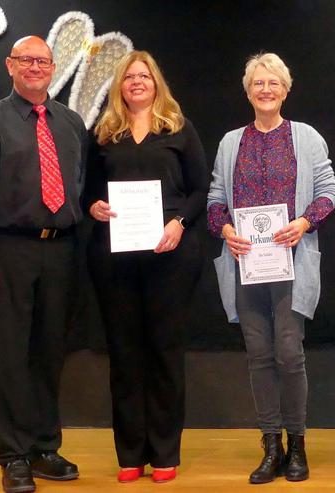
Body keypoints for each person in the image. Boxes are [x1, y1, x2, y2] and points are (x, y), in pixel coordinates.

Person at [207, 53, 335, 484]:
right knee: (259, 356)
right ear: (248, 91)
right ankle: (270, 446)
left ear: (286, 89)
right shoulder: (231, 143)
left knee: (289, 353)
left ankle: (297, 446)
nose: (266, 90)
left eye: (273, 83)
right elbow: (214, 201)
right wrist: (225, 228)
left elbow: (328, 190)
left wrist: (304, 222)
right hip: (245, 264)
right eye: (258, 83)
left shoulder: (306, 137)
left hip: (292, 263)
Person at [85, 51, 209, 483]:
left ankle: (164, 452)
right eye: (129, 77)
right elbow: (87, 192)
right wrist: (94, 206)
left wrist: (179, 223)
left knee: (164, 353)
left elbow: (200, 190)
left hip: (170, 255)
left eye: (144, 76)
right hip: (115, 259)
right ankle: (130, 454)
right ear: (120, 85)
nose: (137, 82)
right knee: (124, 354)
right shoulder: (104, 133)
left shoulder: (178, 128)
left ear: (156, 83)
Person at [0, 36, 87, 493]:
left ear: (53, 67)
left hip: (61, 249)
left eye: (43, 61)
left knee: (48, 352)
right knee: (9, 354)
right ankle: (14, 455)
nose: (35, 67)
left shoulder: (70, 122)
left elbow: (81, 184)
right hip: (9, 249)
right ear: (10, 65)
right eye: (26, 59)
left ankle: (45, 446)